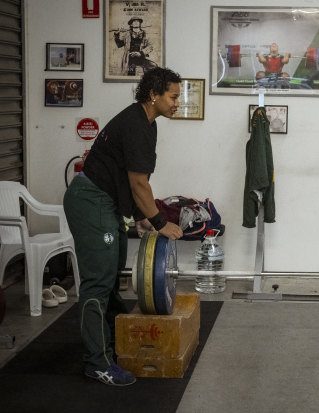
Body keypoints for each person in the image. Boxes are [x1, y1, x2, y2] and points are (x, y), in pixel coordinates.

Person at [63, 67, 184, 386]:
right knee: (97, 283)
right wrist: (160, 222)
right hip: (91, 200)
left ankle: (116, 345)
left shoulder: (147, 123)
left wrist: (138, 217)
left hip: (108, 201)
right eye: (173, 97)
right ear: (154, 95)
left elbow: (129, 177)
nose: (177, 103)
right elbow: (138, 182)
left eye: (178, 97)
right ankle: (96, 362)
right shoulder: (136, 125)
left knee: (111, 277)